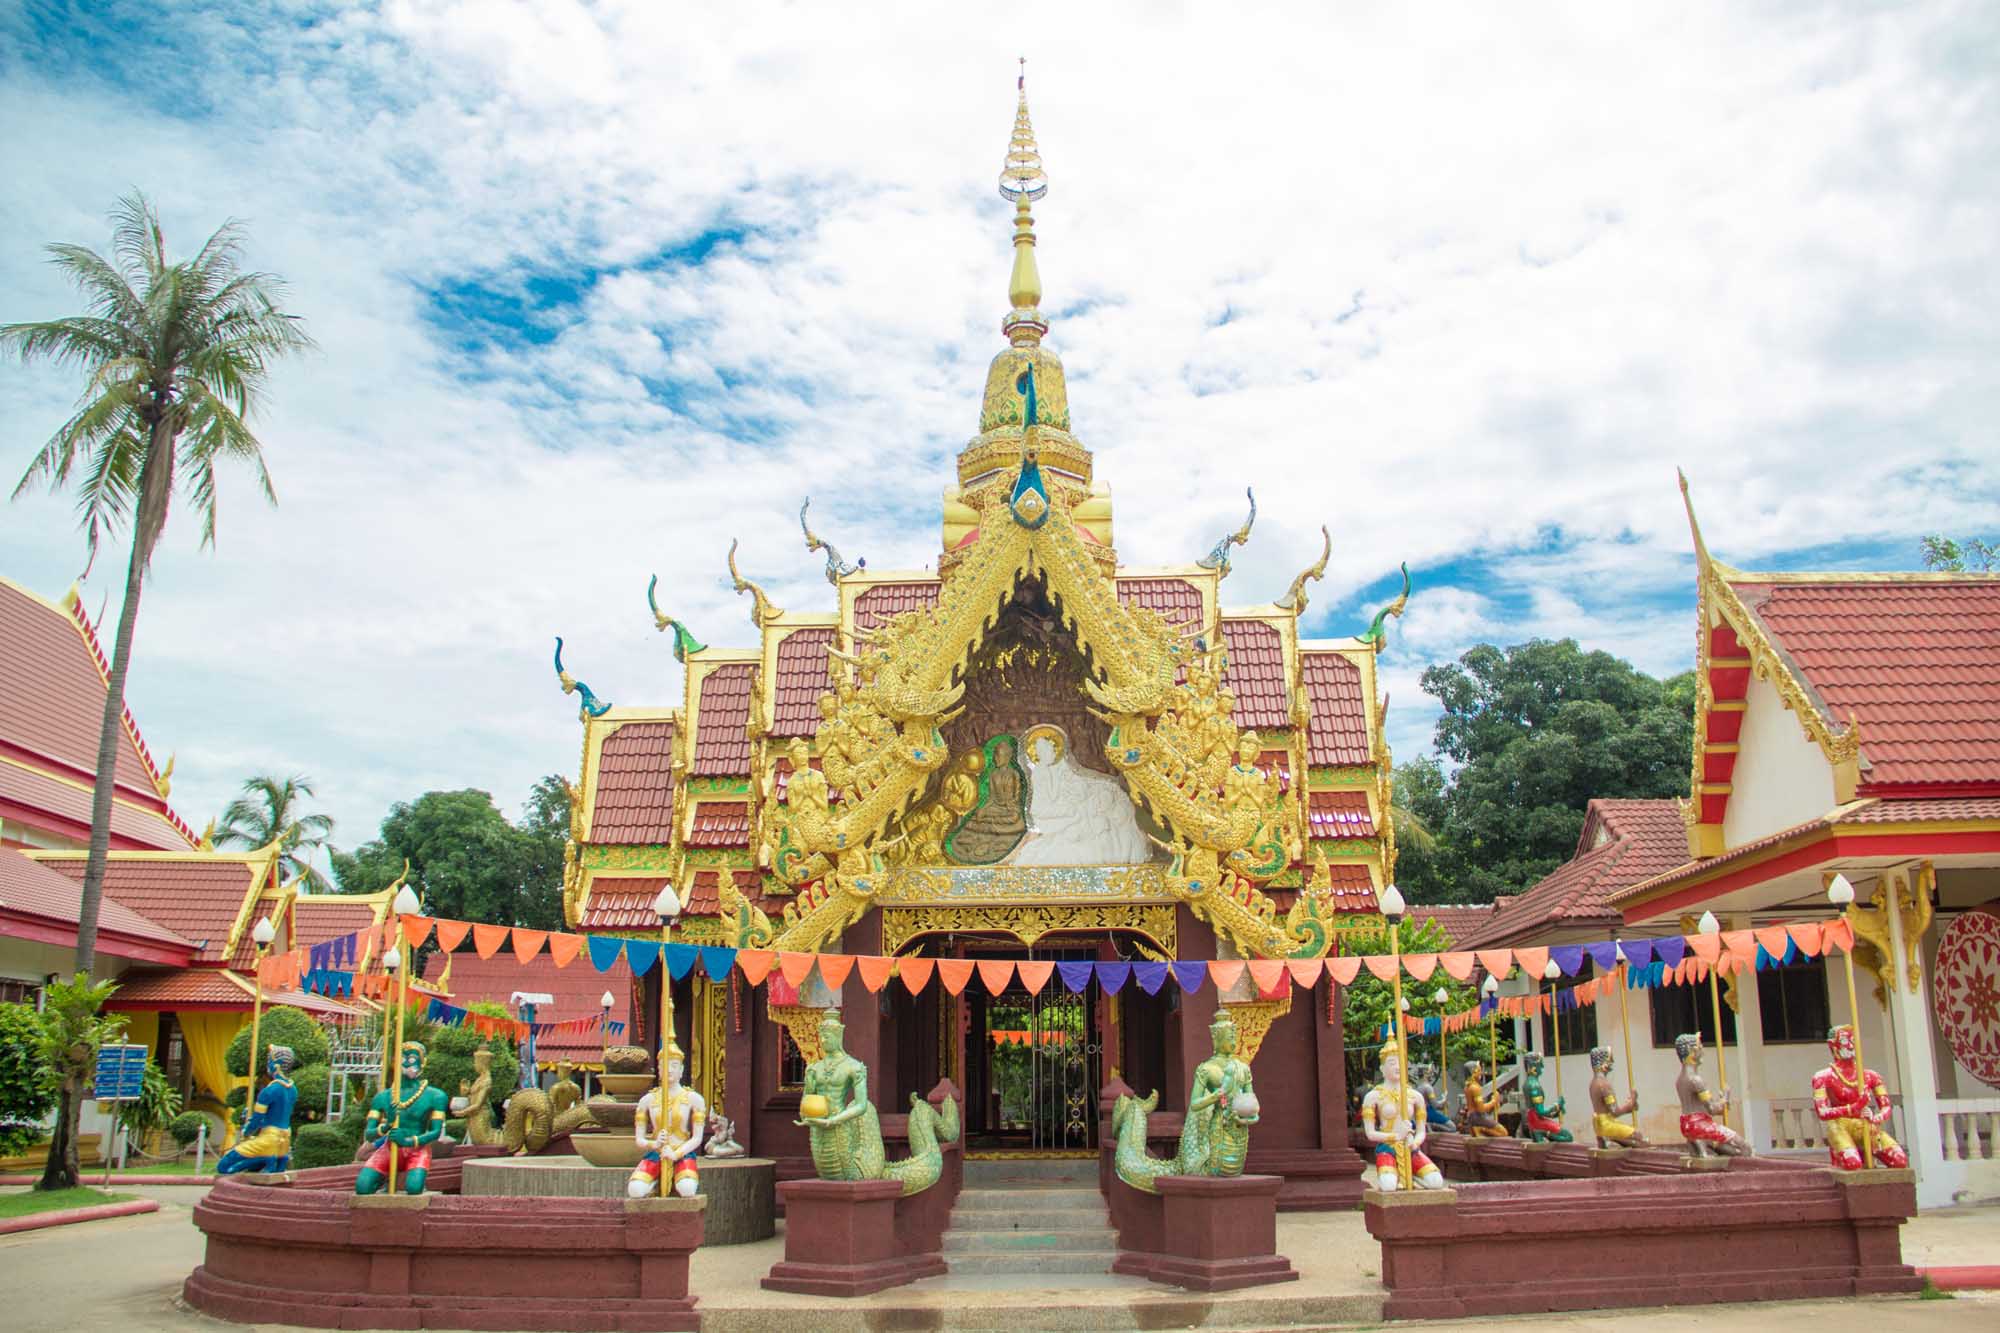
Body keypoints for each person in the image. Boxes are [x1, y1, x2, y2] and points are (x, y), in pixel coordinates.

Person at [356, 1041, 451, 1195]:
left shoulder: (436, 1096)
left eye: (412, 1059)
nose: (406, 1063)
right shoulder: (383, 1097)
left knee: (414, 1188)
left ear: (424, 1062)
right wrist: (386, 1127)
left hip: (417, 1149)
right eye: (402, 1058)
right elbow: (369, 1134)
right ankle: (383, 1182)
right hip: (389, 1148)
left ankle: (411, 1180)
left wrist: (408, 1141)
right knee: (363, 1187)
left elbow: (435, 1132)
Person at [1812, 1024, 1907, 1170]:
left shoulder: (1870, 1076)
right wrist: (1854, 1107)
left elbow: (1886, 1107)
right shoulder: (1823, 1077)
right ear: (1833, 1045)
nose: (1850, 1045)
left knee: (1899, 1160)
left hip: (1865, 1124)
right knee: (1853, 1164)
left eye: (1853, 1040)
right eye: (1844, 1041)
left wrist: (1876, 1117)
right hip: (1840, 1125)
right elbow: (1822, 1112)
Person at [1360, 1040, 1445, 1191]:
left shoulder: (1415, 1096)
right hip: (1388, 1147)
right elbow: (1370, 1133)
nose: (1397, 1067)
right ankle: (1396, 1176)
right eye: (1392, 1063)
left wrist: (1415, 1142)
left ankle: (1411, 1178)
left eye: (1400, 1062)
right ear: (1382, 1068)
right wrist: (1396, 1136)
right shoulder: (1373, 1096)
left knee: (1435, 1181)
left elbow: (1421, 1130)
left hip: (1410, 1147)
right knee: (1388, 1186)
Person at [629, 1038, 706, 1198]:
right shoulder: (647, 1101)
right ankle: (654, 1184)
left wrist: (676, 1154)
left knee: (687, 1189)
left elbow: (697, 1138)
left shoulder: (694, 1098)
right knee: (635, 1190)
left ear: (682, 1069)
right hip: (657, 1152)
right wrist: (654, 1144)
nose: (669, 1070)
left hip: (681, 1152)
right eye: (665, 1066)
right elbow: (639, 1140)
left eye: (674, 1066)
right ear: (659, 1069)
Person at [217, 1044, 297, 1174]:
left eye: (269, 1062)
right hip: (284, 1142)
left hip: (268, 1140)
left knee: (223, 1167)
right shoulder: (293, 1089)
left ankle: (263, 1159)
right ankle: (265, 1160)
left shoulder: (270, 1090)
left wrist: (246, 1131)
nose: (268, 1065)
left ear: (275, 1066)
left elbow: (256, 1120)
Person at [1675, 1033, 1751, 1157]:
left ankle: (1708, 1143)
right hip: (1701, 1125)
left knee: (1729, 1150)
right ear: (1692, 1051)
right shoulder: (1695, 1080)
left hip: (1687, 1125)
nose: (1702, 1051)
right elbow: (1713, 1109)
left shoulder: (1679, 1080)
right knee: (1745, 1148)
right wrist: (1725, 1097)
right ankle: (1706, 1141)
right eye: (1700, 1047)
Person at [1587, 1046, 1648, 1148]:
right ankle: (1611, 1139)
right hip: (1607, 1124)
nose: (1612, 1063)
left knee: (1632, 1137)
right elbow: (1615, 1112)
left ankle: (1611, 1140)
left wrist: (1630, 1106)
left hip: (1600, 1124)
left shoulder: (1593, 1083)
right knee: (1642, 1140)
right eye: (1610, 1060)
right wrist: (1631, 1102)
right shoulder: (1604, 1085)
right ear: (1603, 1062)